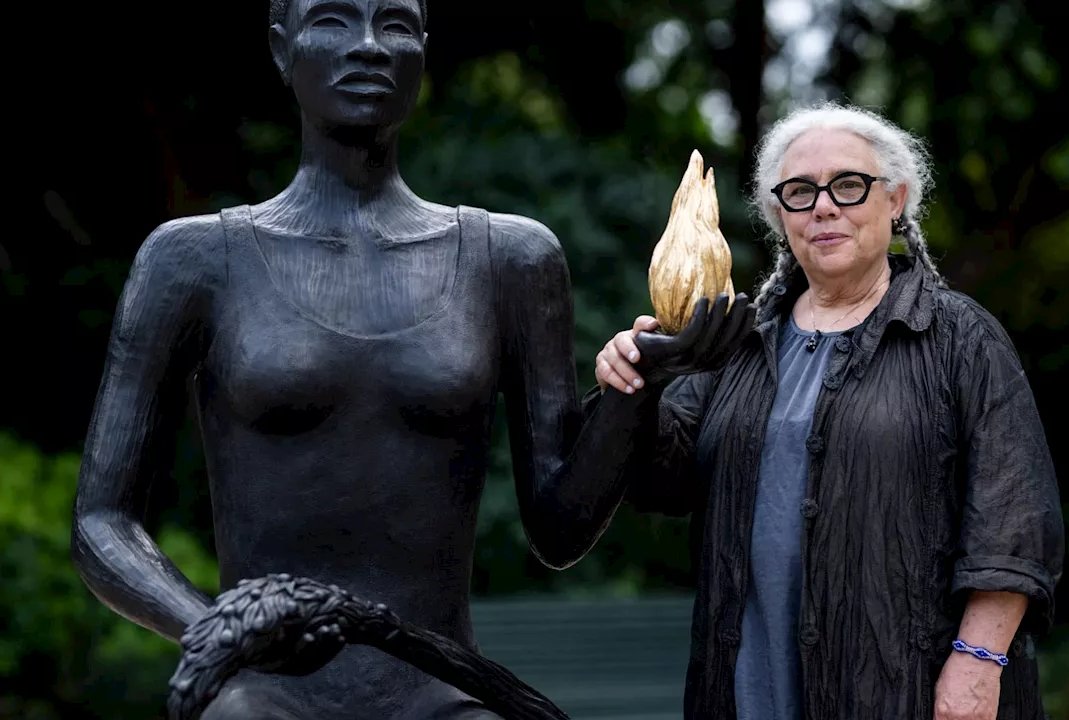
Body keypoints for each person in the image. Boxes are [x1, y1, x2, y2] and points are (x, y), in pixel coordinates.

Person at [69, 1, 753, 718]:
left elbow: (559, 527)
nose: (368, 46)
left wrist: (638, 381)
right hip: (263, 694)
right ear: (281, 48)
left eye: (394, 24)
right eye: (333, 20)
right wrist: (214, 628)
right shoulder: (194, 260)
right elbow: (101, 520)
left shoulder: (511, 260)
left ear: (423, 49)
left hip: (439, 690)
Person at [593, 101, 1065, 720]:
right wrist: (637, 384)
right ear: (778, 215)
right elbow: (662, 479)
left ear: (895, 201)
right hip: (744, 684)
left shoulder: (960, 339)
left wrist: (979, 661)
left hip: (902, 688)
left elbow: (1014, 515)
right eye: (799, 192)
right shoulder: (738, 341)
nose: (823, 206)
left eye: (848, 185)